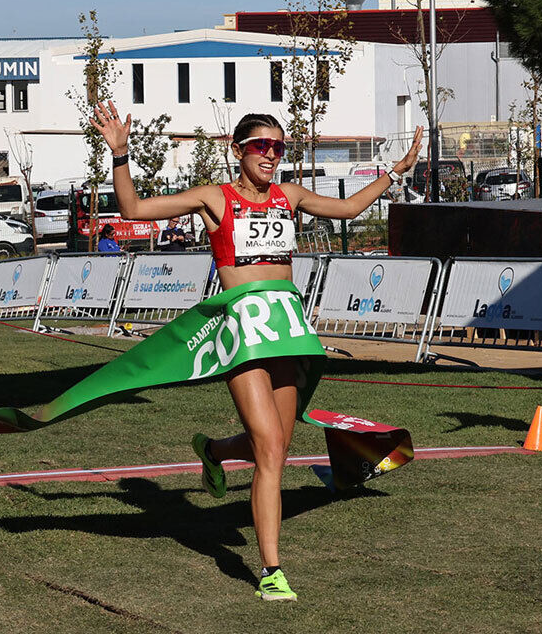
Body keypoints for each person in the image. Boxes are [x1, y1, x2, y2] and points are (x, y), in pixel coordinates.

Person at [90, 100, 421, 601]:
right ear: (237, 149)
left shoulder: (289, 196)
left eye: (278, 147)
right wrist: (120, 154)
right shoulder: (215, 199)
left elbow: (350, 208)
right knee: (270, 449)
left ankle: (215, 450)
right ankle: (272, 569)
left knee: (277, 446)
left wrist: (394, 174)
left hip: (286, 331)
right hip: (242, 332)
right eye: (261, 146)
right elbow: (135, 210)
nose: (271, 155)